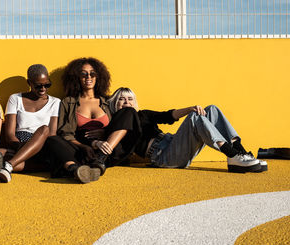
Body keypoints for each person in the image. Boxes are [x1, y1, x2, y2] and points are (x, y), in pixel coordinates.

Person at [107, 87, 267, 172]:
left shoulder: (142, 115)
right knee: (195, 117)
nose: (126, 102)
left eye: (130, 99)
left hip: (172, 143)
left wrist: (190, 108)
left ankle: (240, 152)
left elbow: (169, 116)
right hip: (163, 157)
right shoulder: (116, 125)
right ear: (115, 103)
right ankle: (231, 155)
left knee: (212, 109)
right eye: (121, 99)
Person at [46, 58, 141, 183]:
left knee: (129, 111)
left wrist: (105, 134)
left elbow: (122, 123)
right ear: (76, 77)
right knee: (52, 139)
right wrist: (87, 145)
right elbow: (66, 134)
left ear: (98, 77)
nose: (88, 77)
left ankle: (100, 160)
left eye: (92, 73)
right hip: (82, 150)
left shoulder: (108, 101)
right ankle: (78, 170)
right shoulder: (68, 102)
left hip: (108, 150)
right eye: (83, 74)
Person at [0, 64, 60, 183]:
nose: (43, 89)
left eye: (47, 85)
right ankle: (33, 165)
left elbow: (51, 134)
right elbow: (9, 135)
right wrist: (24, 147)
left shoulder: (55, 102)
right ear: (29, 83)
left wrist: (32, 146)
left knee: (44, 129)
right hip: (18, 143)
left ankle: (9, 165)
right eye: (38, 86)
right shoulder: (15, 99)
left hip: (43, 144)